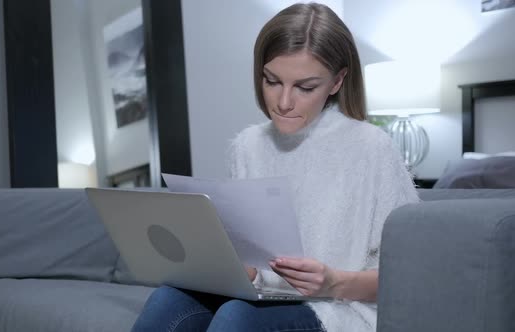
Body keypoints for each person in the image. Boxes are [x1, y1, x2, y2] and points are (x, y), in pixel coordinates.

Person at [131, 3, 419, 332]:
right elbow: (251, 260)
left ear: (337, 81)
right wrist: (233, 268)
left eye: (305, 87)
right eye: (272, 81)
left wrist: (334, 282)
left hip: (339, 309)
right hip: (263, 297)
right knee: (168, 299)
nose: (283, 103)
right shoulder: (248, 146)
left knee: (237, 318)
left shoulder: (372, 148)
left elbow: (407, 275)